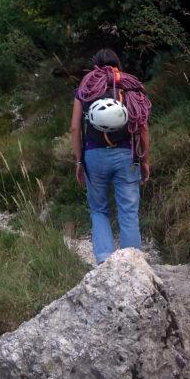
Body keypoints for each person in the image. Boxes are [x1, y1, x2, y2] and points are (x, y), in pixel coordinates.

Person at [70, 48, 150, 264]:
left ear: (95, 65)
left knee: (98, 209)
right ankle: (132, 262)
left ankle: (105, 260)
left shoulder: (85, 88)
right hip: (127, 155)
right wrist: (145, 160)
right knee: (128, 210)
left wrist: (79, 161)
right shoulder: (130, 86)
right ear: (118, 63)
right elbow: (142, 127)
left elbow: (75, 128)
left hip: (93, 156)